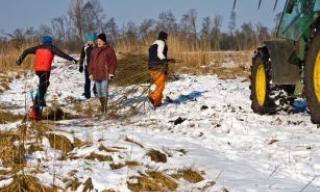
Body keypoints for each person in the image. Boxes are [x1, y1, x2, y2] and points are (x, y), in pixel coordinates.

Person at [16, 35, 77, 116]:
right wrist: (72, 59)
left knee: (43, 84)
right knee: (44, 84)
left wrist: (19, 61)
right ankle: (38, 102)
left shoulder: (38, 47)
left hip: (38, 70)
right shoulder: (51, 48)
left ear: (43, 42)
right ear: (50, 42)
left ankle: (38, 102)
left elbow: (26, 51)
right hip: (45, 70)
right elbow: (62, 54)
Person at [88, 33, 117, 114]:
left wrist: (111, 73)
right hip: (96, 74)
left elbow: (113, 62)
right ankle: (102, 106)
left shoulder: (109, 49)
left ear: (104, 41)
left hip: (105, 74)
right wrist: (90, 73)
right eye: (97, 41)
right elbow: (91, 62)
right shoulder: (94, 50)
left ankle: (104, 109)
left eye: (100, 41)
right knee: (98, 91)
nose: (98, 42)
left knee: (104, 91)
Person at [148, 31, 171, 108]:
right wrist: (165, 61)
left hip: (151, 68)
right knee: (161, 86)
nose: (167, 40)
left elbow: (153, 56)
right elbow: (160, 54)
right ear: (164, 38)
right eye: (166, 38)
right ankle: (152, 97)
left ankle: (157, 103)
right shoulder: (162, 43)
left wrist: (168, 60)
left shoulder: (153, 44)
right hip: (159, 67)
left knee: (159, 85)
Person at [79, 33, 97, 99]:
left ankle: (95, 90)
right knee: (87, 81)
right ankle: (87, 95)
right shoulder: (85, 47)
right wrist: (80, 66)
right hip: (87, 66)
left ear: (94, 40)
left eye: (90, 40)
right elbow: (82, 57)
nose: (89, 41)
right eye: (88, 40)